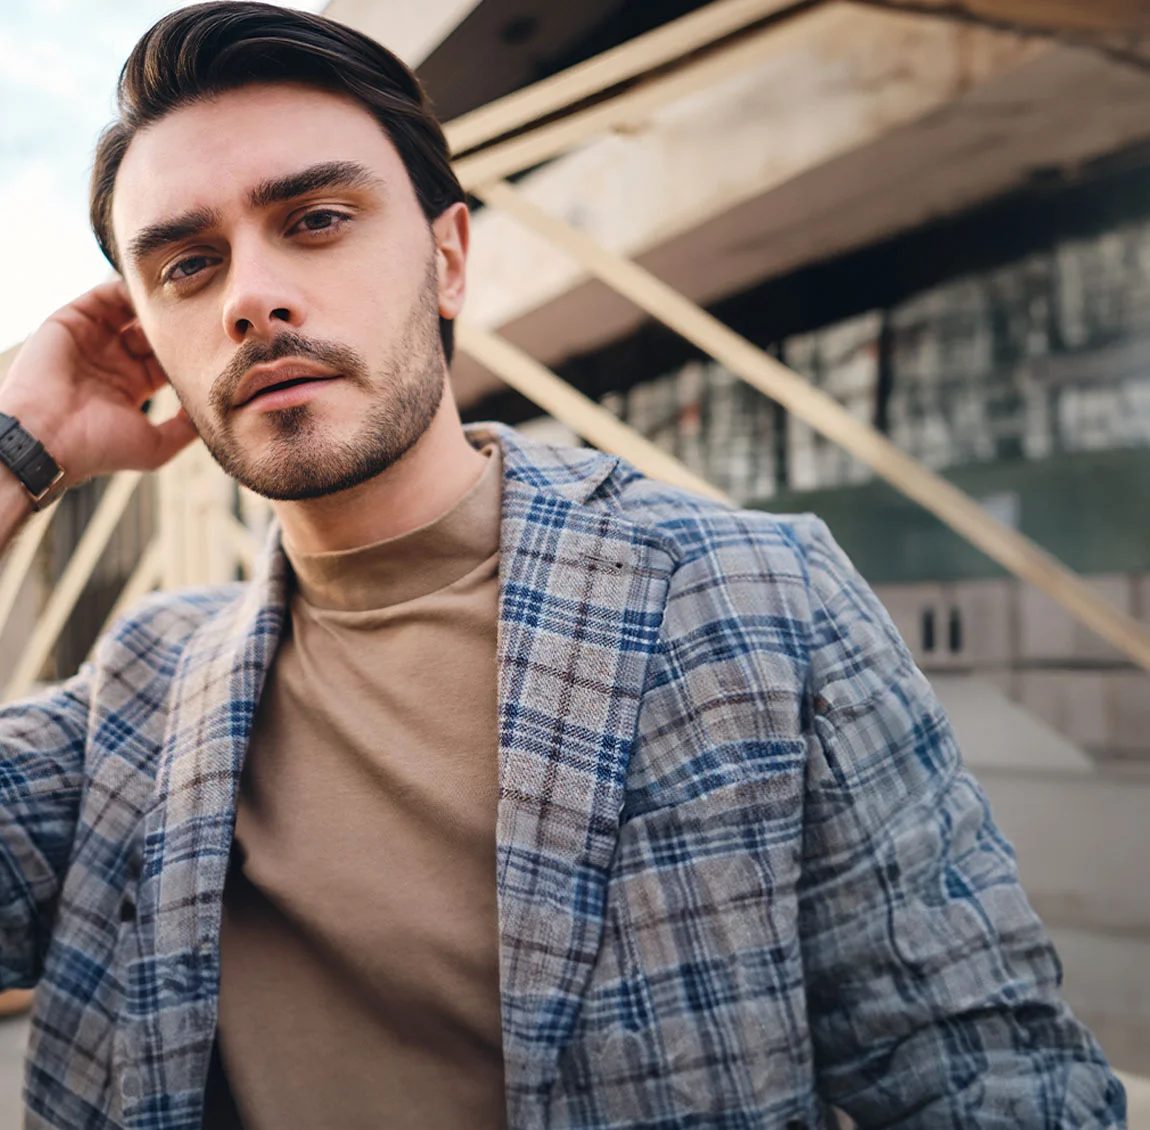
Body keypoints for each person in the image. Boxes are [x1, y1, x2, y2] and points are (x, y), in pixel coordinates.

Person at [0, 3, 1125, 1128]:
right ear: (149, 331)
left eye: (318, 217)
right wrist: (17, 445)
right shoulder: (140, 692)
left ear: (446, 259)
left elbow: (988, 1084)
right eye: (188, 265)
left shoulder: (750, 598)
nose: (249, 295)